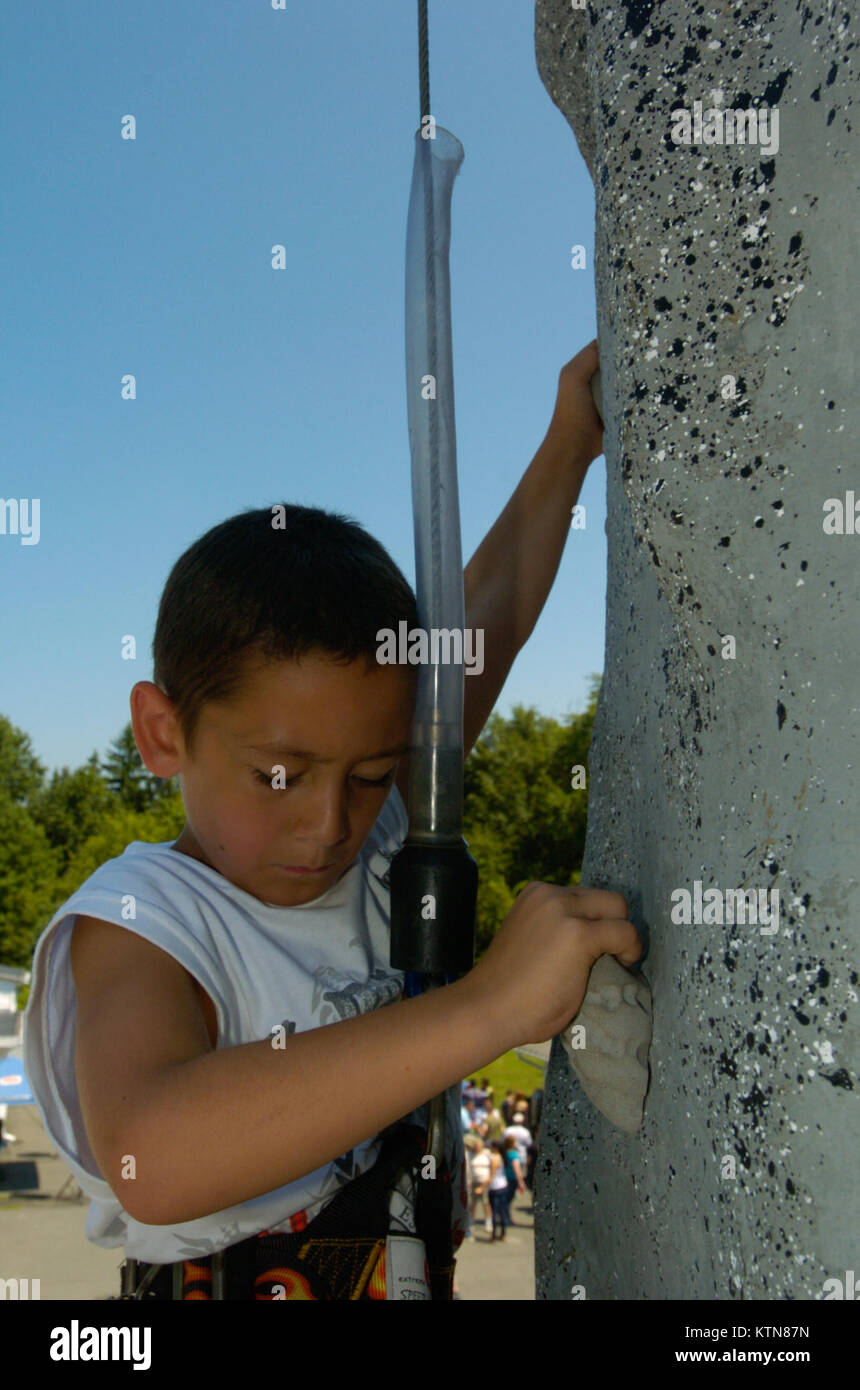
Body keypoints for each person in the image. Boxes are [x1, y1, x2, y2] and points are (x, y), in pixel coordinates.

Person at [22, 344, 641, 1300]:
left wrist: (569, 443)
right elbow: (153, 1160)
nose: (330, 824)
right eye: (279, 775)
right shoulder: (144, 923)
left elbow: (487, 619)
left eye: (374, 771)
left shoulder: (384, 829)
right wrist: (487, 1007)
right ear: (161, 731)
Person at [487, 1142, 510, 1241]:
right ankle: (503, 1232)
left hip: (495, 1187)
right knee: (502, 1210)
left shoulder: (495, 1158)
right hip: (503, 1185)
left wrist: (482, 1186)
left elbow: (492, 1174)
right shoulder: (502, 1157)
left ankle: (494, 1234)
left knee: (495, 1212)